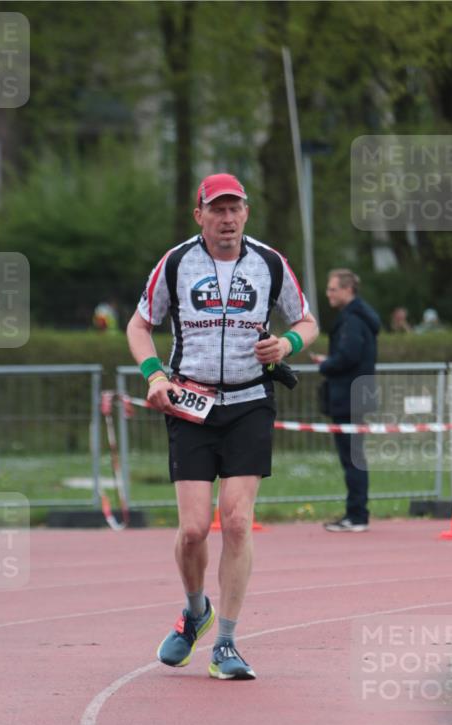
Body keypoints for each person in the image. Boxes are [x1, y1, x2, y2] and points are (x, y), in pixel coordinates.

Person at [126, 173, 319, 680]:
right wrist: (154, 376)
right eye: (217, 210)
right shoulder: (175, 264)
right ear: (200, 216)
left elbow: (306, 321)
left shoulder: (270, 263)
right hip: (191, 405)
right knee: (193, 530)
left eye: (235, 209)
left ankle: (227, 643)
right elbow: (139, 324)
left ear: (246, 214)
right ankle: (195, 612)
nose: (227, 219)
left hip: (251, 402)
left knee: (235, 521)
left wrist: (288, 346)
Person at [310, 269, 380, 532]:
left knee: (352, 458)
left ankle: (357, 515)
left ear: (347, 289)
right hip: (355, 395)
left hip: (350, 397)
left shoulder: (353, 319)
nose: (328, 293)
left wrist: (326, 364)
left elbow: (349, 356)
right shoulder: (357, 317)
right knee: (353, 457)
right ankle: (356, 512)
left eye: (332, 289)